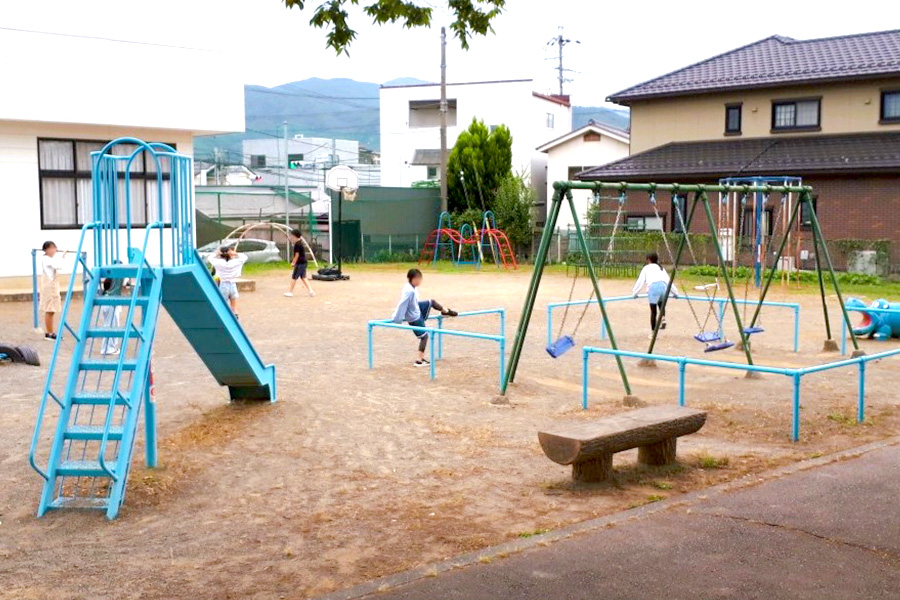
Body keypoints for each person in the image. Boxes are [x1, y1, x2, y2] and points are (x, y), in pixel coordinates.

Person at [391, 268, 458, 367]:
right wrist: (397, 318)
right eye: (418, 279)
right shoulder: (409, 291)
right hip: (414, 317)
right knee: (424, 336)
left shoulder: (410, 286)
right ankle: (419, 360)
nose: (419, 281)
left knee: (432, 302)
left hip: (416, 309)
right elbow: (402, 304)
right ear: (412, 279)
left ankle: (446, 312)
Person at [632, 253, 680, 337]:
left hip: (653, 288)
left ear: (649, 260)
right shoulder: (661, 268)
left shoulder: (646, 268)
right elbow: (668, 281)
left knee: (653, 312)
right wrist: (675, 293)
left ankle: (653, 334)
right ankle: (663, 318)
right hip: (663, 287)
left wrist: (634, 293)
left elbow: (640, 281)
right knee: (661, 305)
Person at [207, 246, 248, 317]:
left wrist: (217, 253)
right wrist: (235, 253)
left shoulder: (218, 262)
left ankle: (223, 318)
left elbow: (209, 258)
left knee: (223, 306)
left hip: (223, 285)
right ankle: (235, 318)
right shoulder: (236, 262)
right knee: (234, 307)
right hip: (232, 285)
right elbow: (245, 257)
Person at [39, 241, 67, 341]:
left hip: (51, 287)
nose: (55, 250)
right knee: (50, 310)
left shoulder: (49, 259)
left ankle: (50, 332)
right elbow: (59, 265)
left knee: (51, 310)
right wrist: (63, 256)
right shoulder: (47, 259)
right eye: (53, 248)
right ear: (47, 249)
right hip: (49, 288)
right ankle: (49, 333)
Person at [98, 271, 128, 356]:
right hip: (112, 302)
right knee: (113, 325)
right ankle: (110, 348)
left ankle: (106, 348)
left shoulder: (111, 275)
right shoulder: (119, 278)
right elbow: (125, 283)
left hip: (106, 299)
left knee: (107, 324)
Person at [284, 229, 315, 298]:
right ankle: (311, 291)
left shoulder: (297, 245)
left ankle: (290, 292)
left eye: (292, 235)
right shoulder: (299, 242)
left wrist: (293, 262)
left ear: (295, 236)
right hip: (304, 262)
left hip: (300, 263)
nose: (291, 237)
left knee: (294, 277)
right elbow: (292, 241)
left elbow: (297, 255)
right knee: (303, 277)